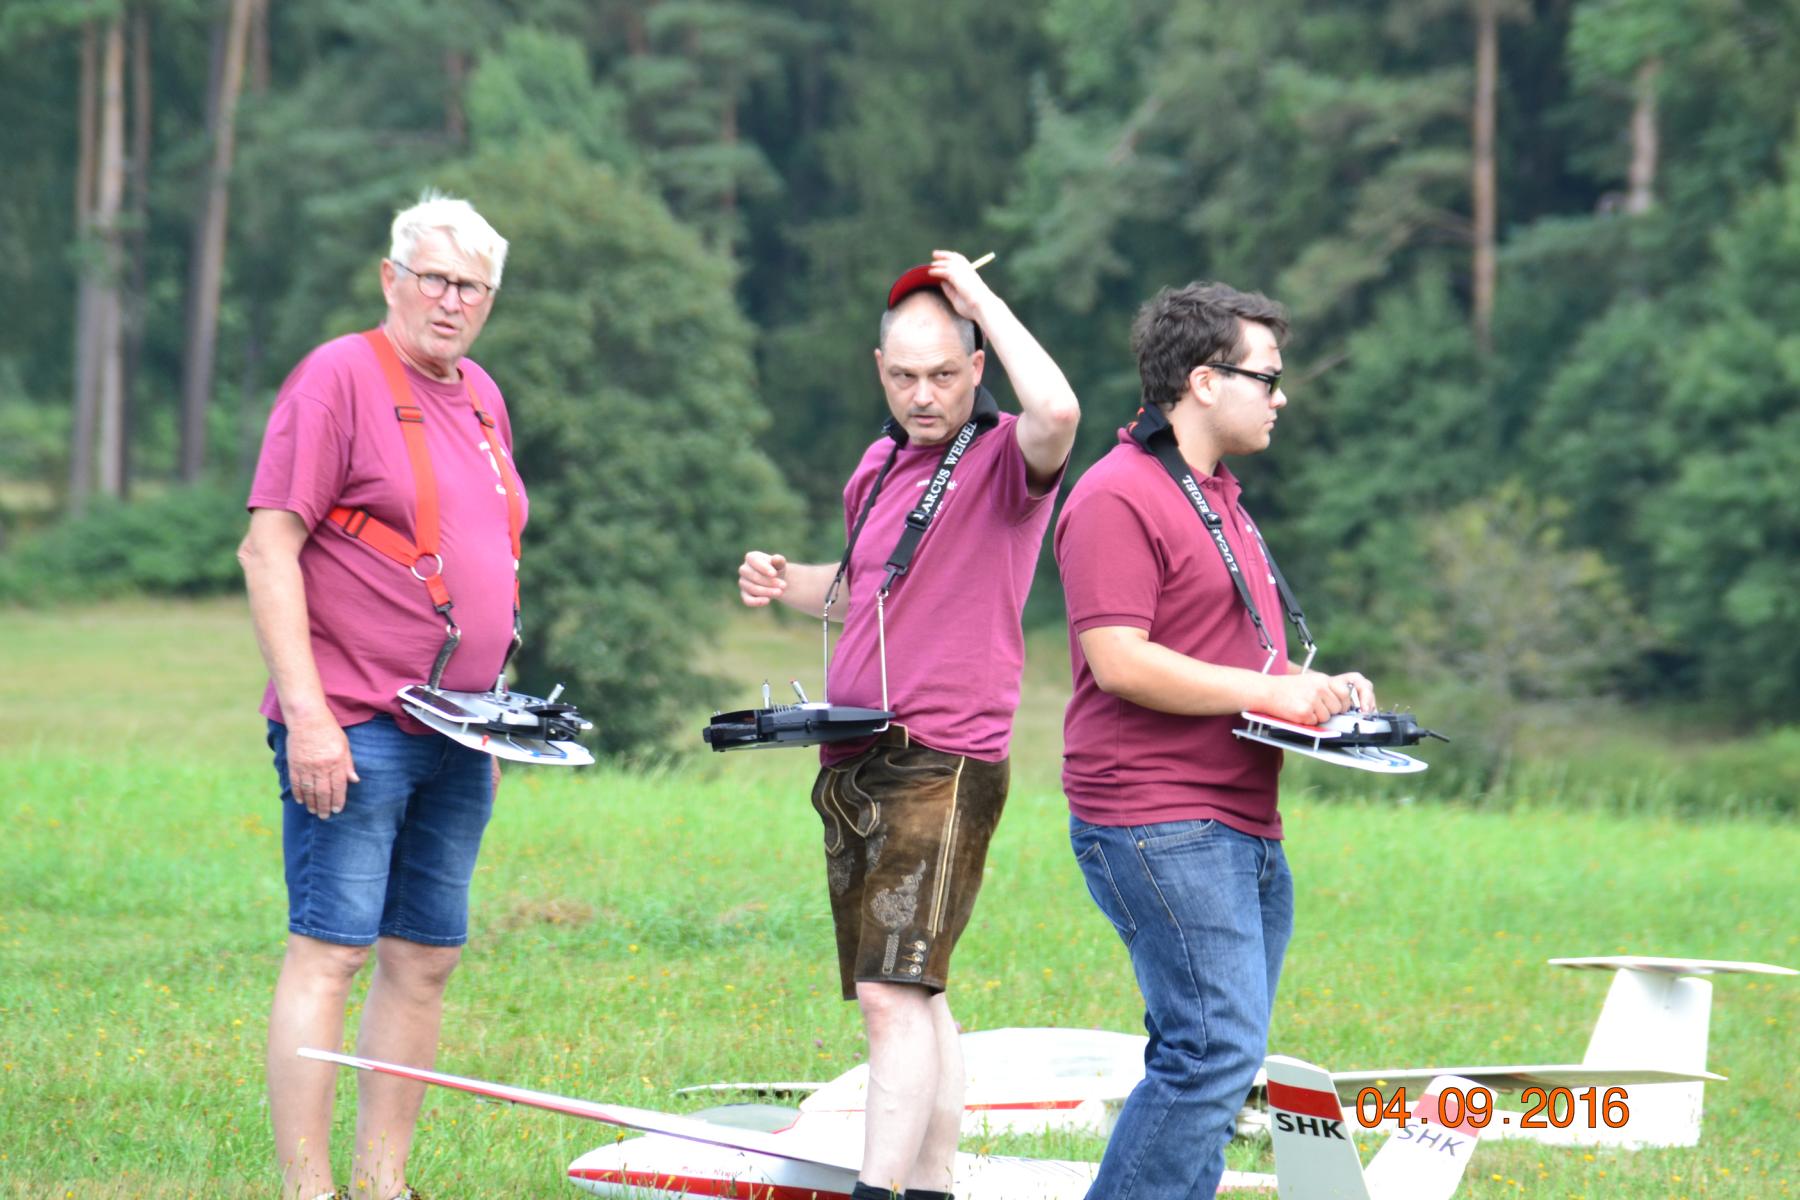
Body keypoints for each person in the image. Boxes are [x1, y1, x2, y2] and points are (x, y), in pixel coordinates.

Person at [736, 250, 1079, 1200]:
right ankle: (930, 1186)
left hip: (944, 753)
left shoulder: (1007, 458)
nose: (923, 397)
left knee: (892, 992)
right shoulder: (879, 462)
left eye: (943, 374)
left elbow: (1059, 413)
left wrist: (984, 301)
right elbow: (861, 592)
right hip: (855, 752)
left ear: (977, 368)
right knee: (917, 989)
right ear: (878, 371)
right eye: (904, 377)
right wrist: (784, 581)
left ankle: (876, 1190)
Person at [1052, 282, 1376, 1198]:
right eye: (1265, 377)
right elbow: (1120, 661)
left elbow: (1231, 657)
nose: (1281, 395)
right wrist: (1274, 689)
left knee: (1216, 1062)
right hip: (1158, 818)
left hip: (1241, 822)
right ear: (1203, 381)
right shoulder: (1118, 495)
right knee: (1213, 1055)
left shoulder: (1216, 497)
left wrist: (1322, 693)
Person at [238, 192, 522, 1200]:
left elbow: (486, 550)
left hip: (464, 730)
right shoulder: (338, 377)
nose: (452, 302)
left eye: (473, 287)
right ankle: (308, 1190)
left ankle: (382, 1184)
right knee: (331, 952)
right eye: (435, 279)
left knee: (425, 958)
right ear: (390, 279)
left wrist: (498, 699)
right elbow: (267, 549)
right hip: (356, 723)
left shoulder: (481, 394)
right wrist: (310, 715)